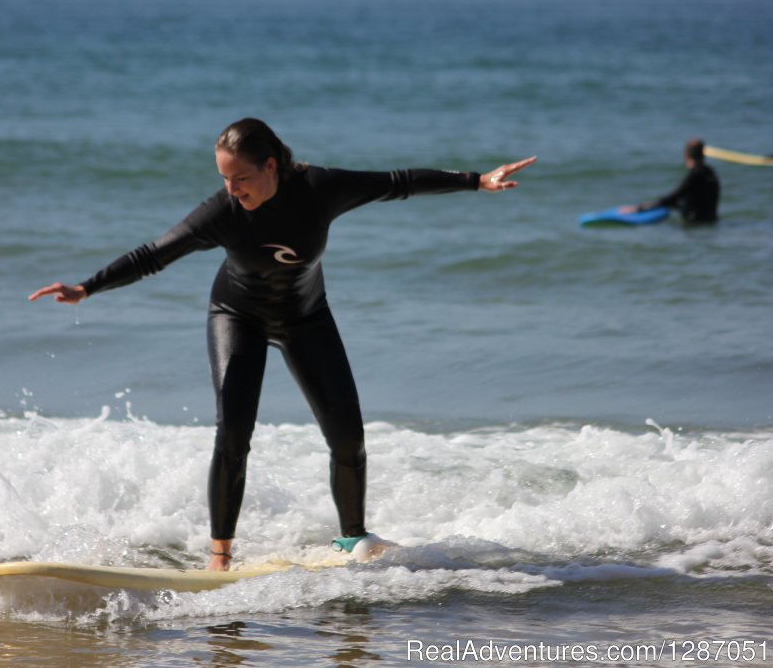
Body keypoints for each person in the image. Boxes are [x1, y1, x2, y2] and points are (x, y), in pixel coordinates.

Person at [30, 118, 536, 571]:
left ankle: (352, 539)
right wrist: (87, 287)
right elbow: (154, 255)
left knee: (348, 438)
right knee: (233, 435)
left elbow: (397, 183)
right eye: (224, 179)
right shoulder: (222, 213)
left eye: (241, 178)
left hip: (305, 317)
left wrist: (476, 180)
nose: (232, 189)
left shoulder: (319, 188)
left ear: (271, 166)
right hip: (237, 316)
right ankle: (219, 558)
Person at [621, 138, 720, 224]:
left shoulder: (694, 176)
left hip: (695, 223)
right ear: (703, 155)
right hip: (712, 220)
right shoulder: (710, 173)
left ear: (685, 154)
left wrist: (639, 208)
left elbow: (672, 198)